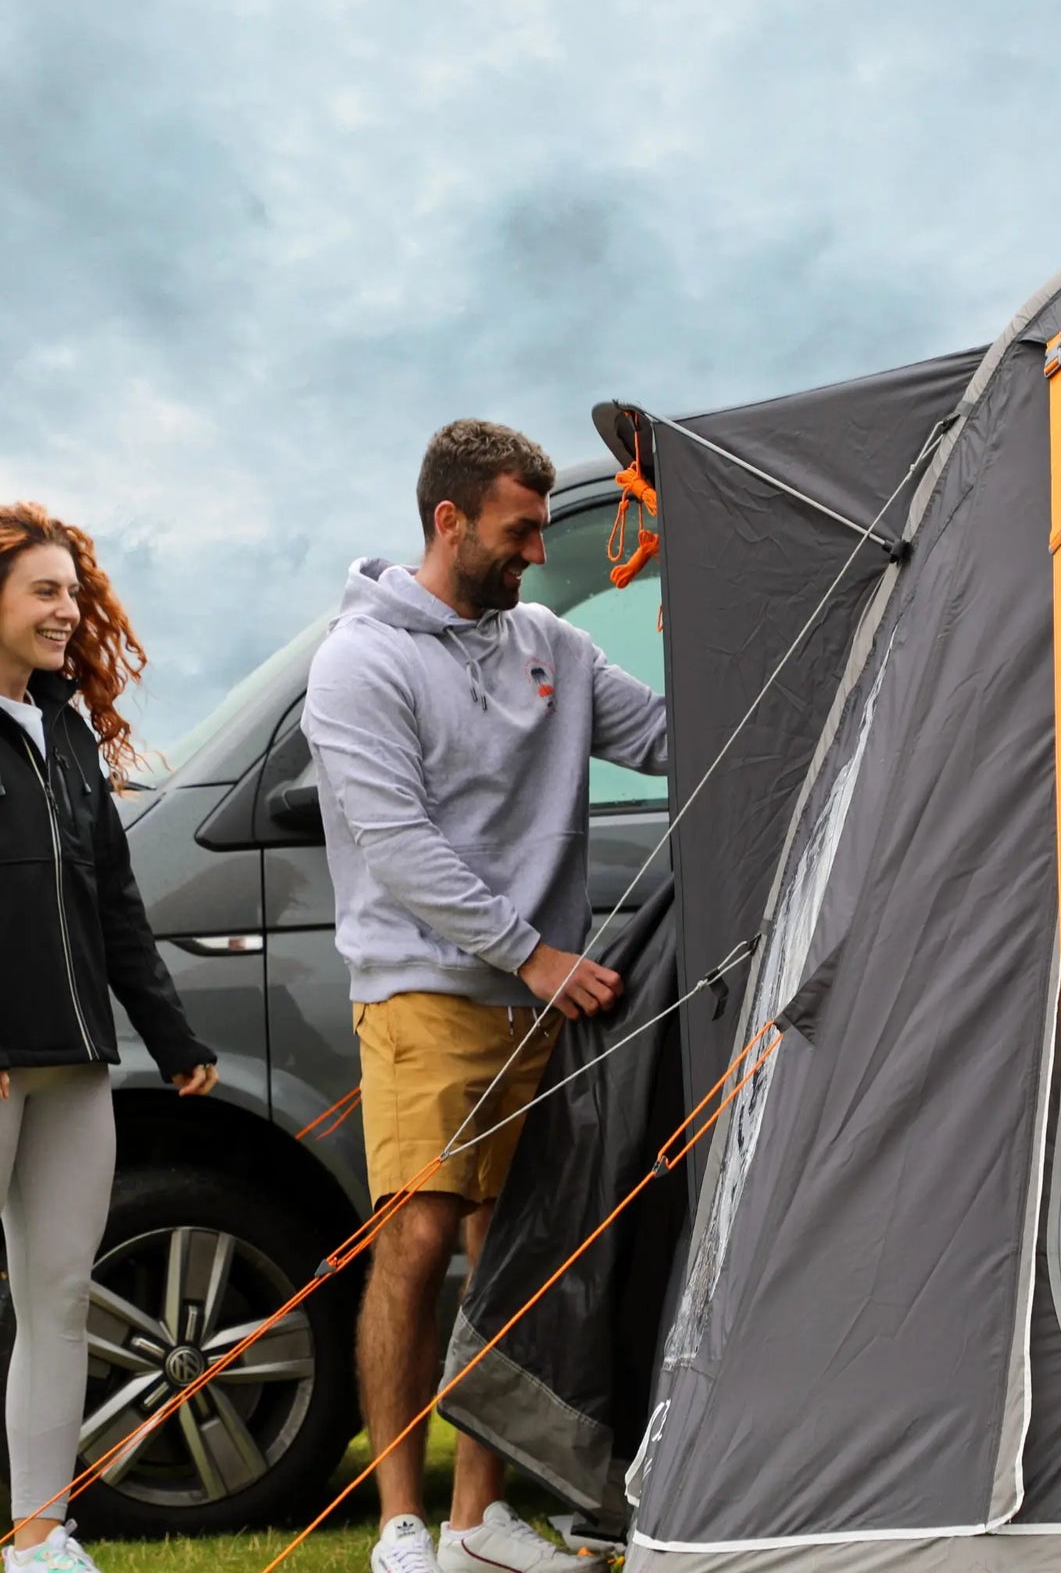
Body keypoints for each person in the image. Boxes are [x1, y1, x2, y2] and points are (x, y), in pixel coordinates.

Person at [304, 420, 668, 1573]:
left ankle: (476, 1523)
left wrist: (707, 632)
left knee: (519, 1252)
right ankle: (399, 1526)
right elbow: (397, 842)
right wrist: (532, 953)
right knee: (415, 1236)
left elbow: (663, 736)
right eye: (516, 533)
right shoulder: (360, 662)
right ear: (449, 519)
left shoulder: (546, 641)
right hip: (428, 988)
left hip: (536, 1003)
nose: (528, 554)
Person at [0, 504, 219, 1573]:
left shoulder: (69, 732)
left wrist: (173, 1036)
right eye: (45, 590)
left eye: (72, 595)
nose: (66, 611)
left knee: (57, 1297)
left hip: (75, 1060)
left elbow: (114, 903)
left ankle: (39, 1540)